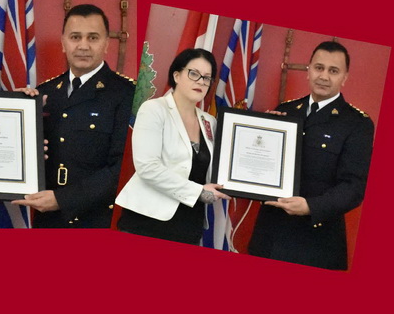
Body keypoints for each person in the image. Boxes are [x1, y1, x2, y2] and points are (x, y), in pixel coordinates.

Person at [249, 41, 374, 270]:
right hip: (270, 235)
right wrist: (262, 132)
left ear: (345, 77)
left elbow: (353, 187)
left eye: (333, 71)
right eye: (319, 67)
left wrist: (310, 207)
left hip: (316, 242)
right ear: (308, 70)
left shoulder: (358, 124)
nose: (324, 76)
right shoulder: (285, 111)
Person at [11, 4, 134, 228]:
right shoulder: (44, 93)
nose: (83, 46)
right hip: (47, 221)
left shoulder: (127, 94)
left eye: (93, 38)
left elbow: (123, 169)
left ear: (107, 44)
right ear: (63, 43)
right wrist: (15, 112)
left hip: (96, 222)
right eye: (75, 37)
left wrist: (62, 200)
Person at [114, 49, 230, 244]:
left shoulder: (209, 121)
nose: (201, 81)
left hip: (189, 226)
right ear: (176, 75)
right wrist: (198, 192)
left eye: (207, 78)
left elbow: (222, 165)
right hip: (147, 222)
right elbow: (147, 167)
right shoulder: (154, 110)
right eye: (194, 74)